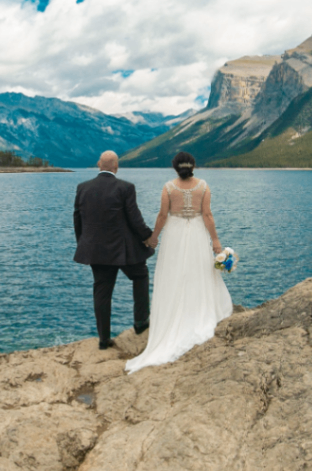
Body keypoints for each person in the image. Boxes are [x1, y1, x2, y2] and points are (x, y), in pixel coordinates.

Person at [125, 151, 233, 373]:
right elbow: (208, 215)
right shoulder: (203, 186)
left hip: (174, 234)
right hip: (196, 233)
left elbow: (162, 216)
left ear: (175, 167)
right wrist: (215, 241)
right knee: (198, 273)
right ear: (193, 166)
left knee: (173, 275)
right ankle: (197, 314)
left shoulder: (168, 188)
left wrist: (153, 239)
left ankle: (173, 317)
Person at [73, 150, 154, 350]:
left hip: (95, 251)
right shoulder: (125, 188)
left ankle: (103, 339)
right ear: (116, 167)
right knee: (140, 275)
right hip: (122, 250)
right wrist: (148, 237)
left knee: (102, 292)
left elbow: (77, 220)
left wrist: (84, 244)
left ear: (99, 165)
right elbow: (135, 219)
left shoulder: (83, 188)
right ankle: (141, 322)